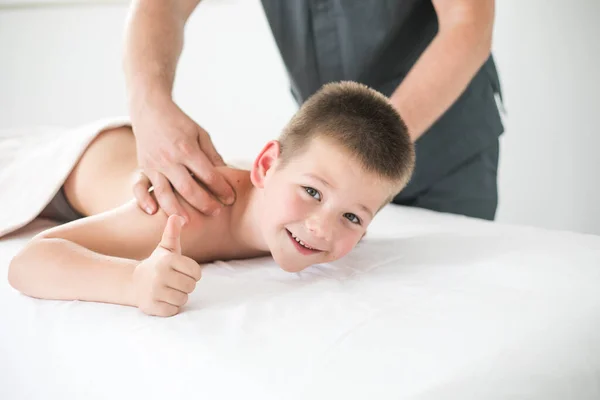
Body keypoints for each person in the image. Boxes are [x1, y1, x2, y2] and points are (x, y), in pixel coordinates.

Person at [8, 82, 415, 317]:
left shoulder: (319, 219)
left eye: (352, 217)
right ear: (266, 166)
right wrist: (132, 283)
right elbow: (29, 262)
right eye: (312, 192)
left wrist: (342, 215)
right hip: (57, 168)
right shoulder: (185, 211)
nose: (322, 227)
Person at [123, 0, 503, 223]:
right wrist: (149, 105)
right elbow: (161, 6)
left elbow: (467, 25)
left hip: (445, 153)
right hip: (329, 168)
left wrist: (364, 154)